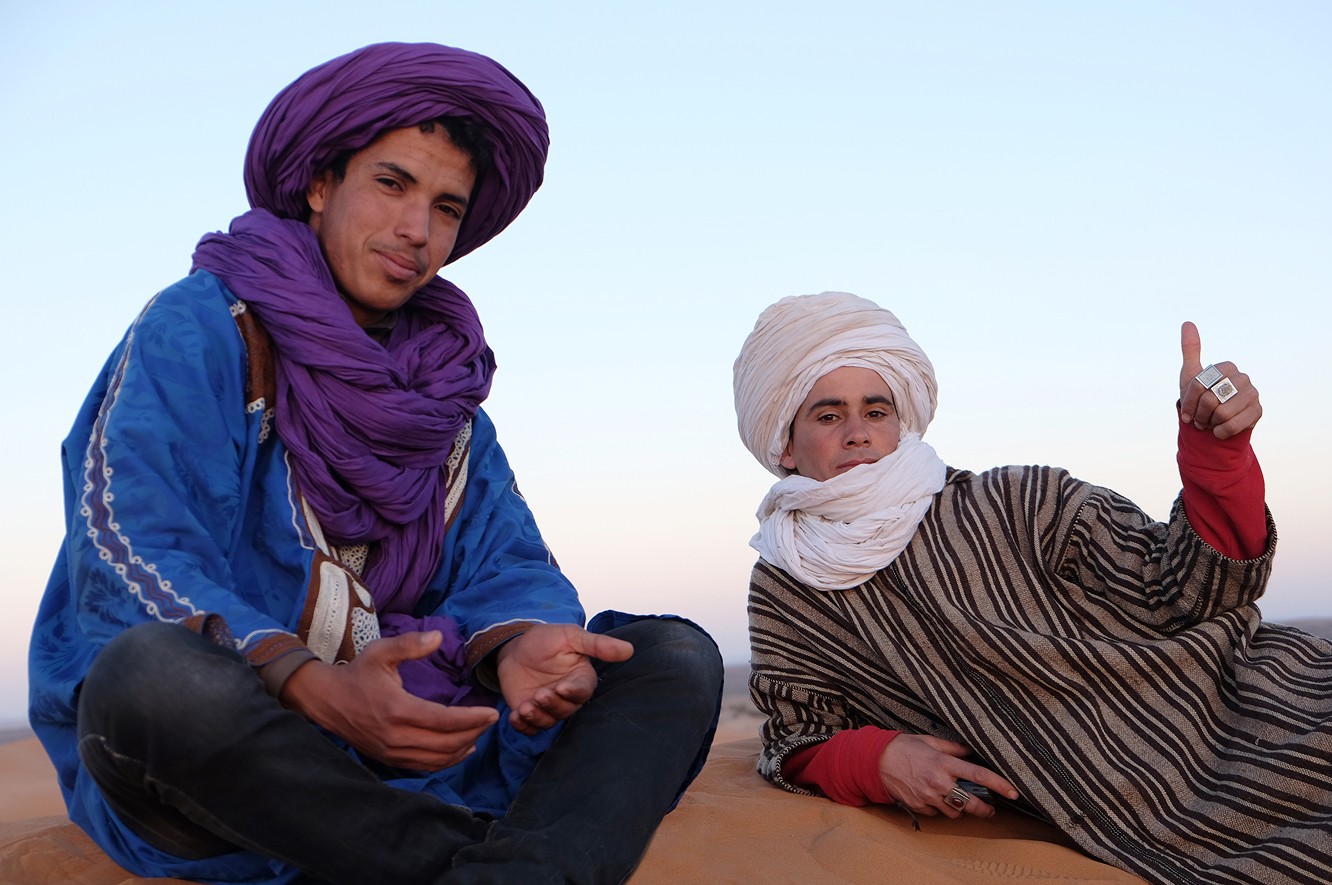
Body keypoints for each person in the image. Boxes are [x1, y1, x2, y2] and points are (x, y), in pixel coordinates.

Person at [28, 42, 721, 885]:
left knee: (671, 658)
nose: (416, 230)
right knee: (153, 681)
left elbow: (508, 564)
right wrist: (314, 686)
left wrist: (523, 648)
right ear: (321, 185)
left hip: (427, 751)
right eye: (391, 184)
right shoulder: (203, 328)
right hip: (242, 766)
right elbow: (126, 543)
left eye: (446, 207)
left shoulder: (447, 396)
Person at [731, 291, 1332, 885]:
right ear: (785, 442)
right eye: (829, 415)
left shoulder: (1019, 499)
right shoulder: (790, 585)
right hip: (1153, 813)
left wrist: (1217, 455)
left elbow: (1194, 589)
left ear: (901, 421)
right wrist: (878, 760)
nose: (859, 433)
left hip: (1268, 699)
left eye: (877, 410)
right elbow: (797, 737)